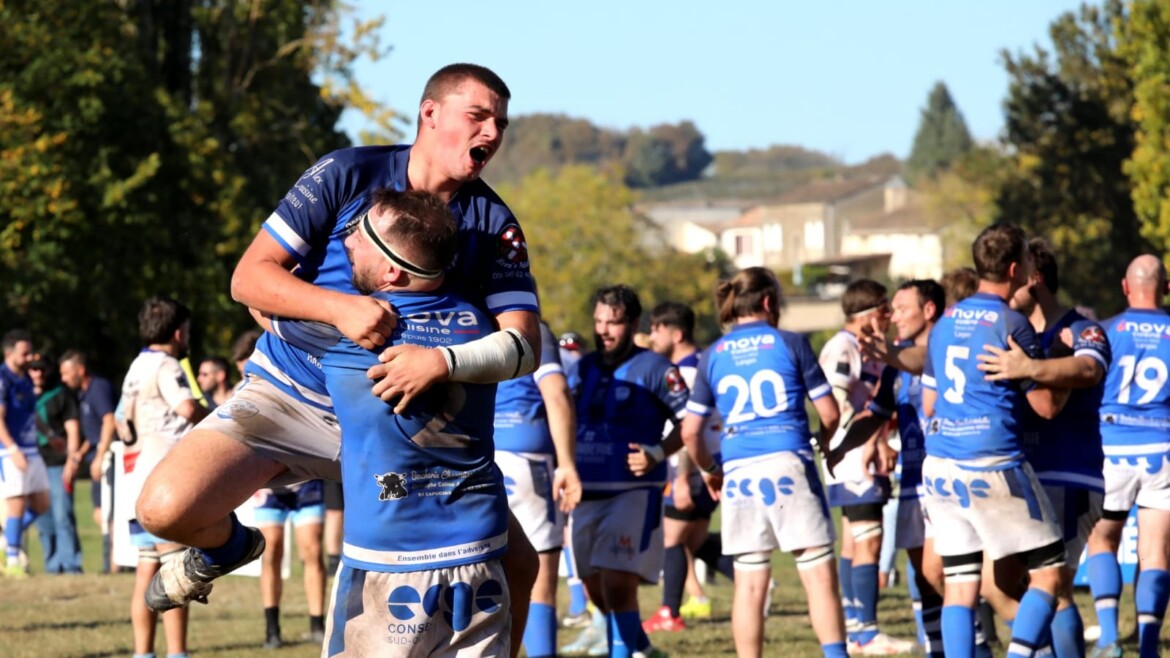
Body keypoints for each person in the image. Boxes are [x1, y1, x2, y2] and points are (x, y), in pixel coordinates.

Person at [136, 63, 542, 653]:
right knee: (164, 508)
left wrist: (441, 364)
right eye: (478, 116)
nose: (492, 134)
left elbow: (523, 344)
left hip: (399, 420)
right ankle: (228, 547)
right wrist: (337, 309)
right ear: (430, 114)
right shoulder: (347, 172)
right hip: (289, 395)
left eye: (501, 123)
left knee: (519, 566)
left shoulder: (492, 223)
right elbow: (248, 279)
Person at [267, 188, 515, 654]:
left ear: (392, 270)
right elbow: (519, 347)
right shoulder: (480, 325)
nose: (347, 240)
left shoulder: (344, 339)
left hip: (388, 560)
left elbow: (260, 302)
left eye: (360, 233)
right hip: (481, 551)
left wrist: (331, 302)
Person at [681, 266, 847, 658]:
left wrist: (711, 470)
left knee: (750, 584)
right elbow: (830, 413)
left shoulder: (712, 355)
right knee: (819, 576)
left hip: (739, 472)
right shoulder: (790, 343)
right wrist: (825, 444)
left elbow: (690, 432)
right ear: (769, 302)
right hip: (789, 462)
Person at [921, 223, 1069, 658]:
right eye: (1025, 261)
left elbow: (929, 403)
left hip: (940, 465)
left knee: (961, 584)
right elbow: (1045, 407)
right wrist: (1049, 369)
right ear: (1012, 268)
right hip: (992, 460)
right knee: (1049, 574)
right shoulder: (1012, 323)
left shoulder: (945, 322)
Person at [975, 238, 1111, 658]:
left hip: (1069, 474)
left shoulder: (1081, 328)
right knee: (994, 588)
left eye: (1012, 274)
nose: (1004, 281)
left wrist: (1032, 367)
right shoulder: (1012, 331)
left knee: (1057, 587)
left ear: (1032, 279)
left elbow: (1089, 368)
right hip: (1025, 477)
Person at [567, 285, 686, 658]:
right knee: (594, 587)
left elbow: (691, 423)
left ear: (634, 323)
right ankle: (642, 649)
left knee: (619, 585)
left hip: (633, 492)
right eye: (599, 321)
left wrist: (657, 452)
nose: (603, 330)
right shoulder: (583, 367)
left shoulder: (657, 369)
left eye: (614, 322)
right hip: (584, 493)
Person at [1079, 254, 1170, 658]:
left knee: (1103, 540)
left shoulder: (1106, 331)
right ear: (1166, 288)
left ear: (1124, 286)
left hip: (1112, 446)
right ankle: (1149, 645)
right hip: (1163, 448)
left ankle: (1110, 639)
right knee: (1156, 550)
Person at [818, 279, 910, 655]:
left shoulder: (866, 347)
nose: (890, 318)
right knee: (869, 540)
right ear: (869, 314)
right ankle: (866, 633)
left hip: (854, 454)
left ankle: (855, 623)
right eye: (886, 311)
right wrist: (871, 433)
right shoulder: (844, 346)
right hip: (855, 456)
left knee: (855, 541)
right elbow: (835, 399)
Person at [121, 296, 209, 658]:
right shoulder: (168, 365)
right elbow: (186, 407)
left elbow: (121, 425)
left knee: (147, 570)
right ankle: (178, 653)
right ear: (177, 333)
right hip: (165, 482)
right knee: (176, 572)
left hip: (137, 480)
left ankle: (143, 653)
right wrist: (220, 420)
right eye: (186, 332)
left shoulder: (135, 366)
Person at [494, 316, 582, 658]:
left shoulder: (466, 321)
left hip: (477, 459)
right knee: (540, 576)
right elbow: (557, 393)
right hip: (527, 461)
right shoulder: (533, 328)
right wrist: (568, 464)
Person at [643, 301, 734, 633]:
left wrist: (681, 478)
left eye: (657, 328)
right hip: (709, 464)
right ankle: (751, 579)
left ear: (676, 333)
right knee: (690, 541)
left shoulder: (687, 372)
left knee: (674, 537)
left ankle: (669, 612)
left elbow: (687, 429)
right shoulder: (703, 364)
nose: (652, 336)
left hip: (694, 468)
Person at [60, 349, 119, 573]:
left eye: (66, 373)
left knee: (111, 513)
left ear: (80, 370)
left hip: (110, 458)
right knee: (100, 513)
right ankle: (113, 564)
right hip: (97, 457)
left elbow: (109, 420)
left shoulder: (98, 388)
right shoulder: (83, 394)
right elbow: (93, 434)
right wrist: (80, 454)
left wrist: (101, 456)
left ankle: (114, 566)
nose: (63, 379)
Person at [253, 480, 326, 648]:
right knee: (270, 550)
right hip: (268, 486)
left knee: (313, 549)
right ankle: (272, 631)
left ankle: (317, 626)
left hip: (306, 482)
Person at [30, 354, 85, 574]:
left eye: (41, 369)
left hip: (57, 464)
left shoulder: (60, 395)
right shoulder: (23, 397)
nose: (37, 373)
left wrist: (71, 461)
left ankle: (71, 565)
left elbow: (72, 429)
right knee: (43, 519)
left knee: (63, 516)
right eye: (33, 369)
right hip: (33, 466)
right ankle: (53, 566)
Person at [0, 329, 48, 578]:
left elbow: (31, 412)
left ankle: (5, 541)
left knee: (42, 502)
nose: (30, 357)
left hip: (31, 448)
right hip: (10, 451)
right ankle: (12, 561)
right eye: (25, 353)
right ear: (10, 353)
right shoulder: (2, 378)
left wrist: (49, 434)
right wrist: (12, 449)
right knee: (16, 502)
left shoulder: (26, 379)